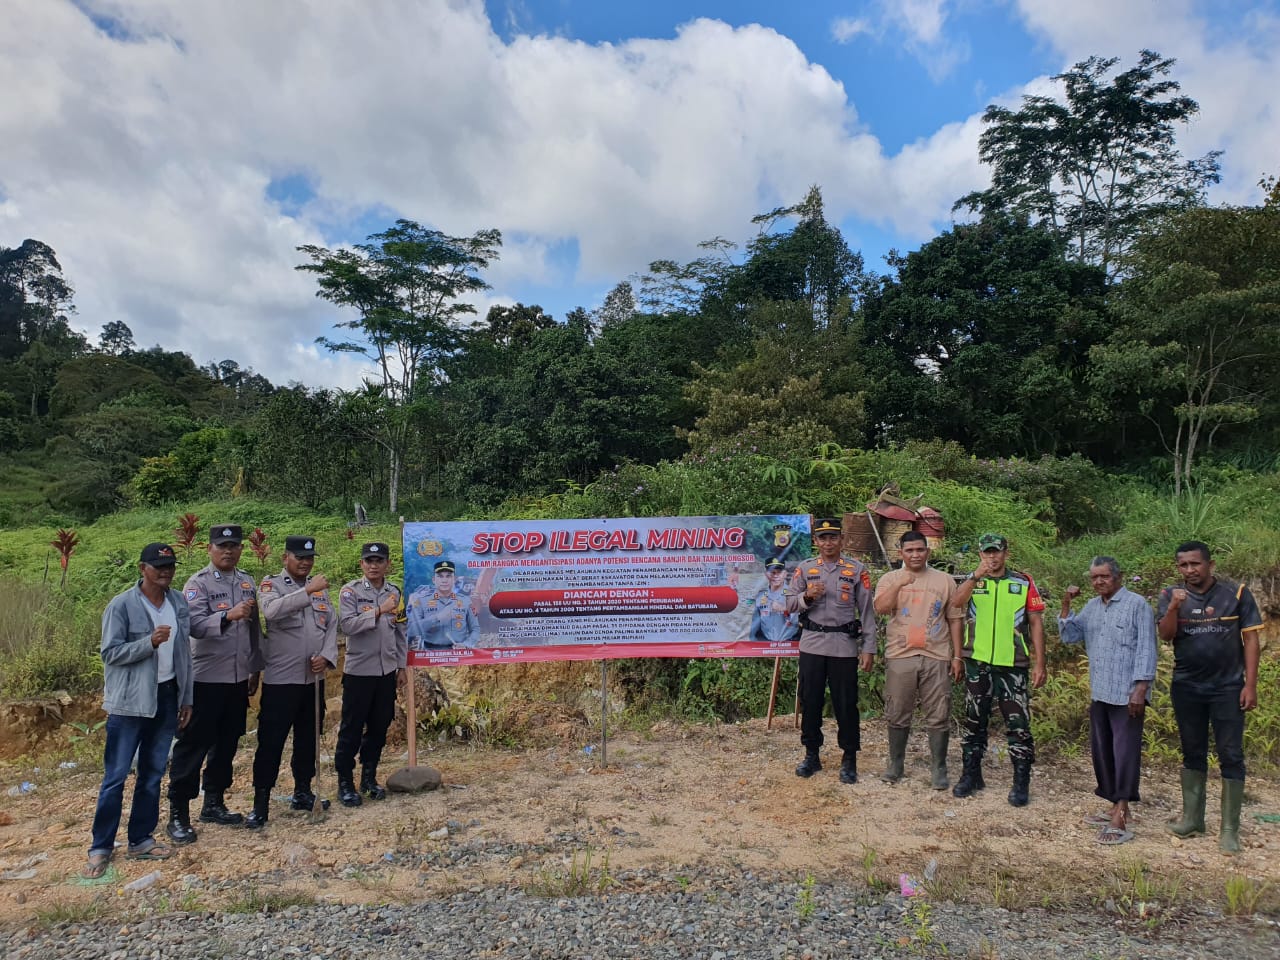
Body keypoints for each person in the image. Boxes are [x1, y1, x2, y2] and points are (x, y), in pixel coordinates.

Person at [83, 543, 194, 879]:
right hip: (129, 703)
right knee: (115, 777)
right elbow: (110, 653)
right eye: (158, 566)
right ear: (142, 568)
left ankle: (140, 840)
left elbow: (185, 655)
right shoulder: (122, 605)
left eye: (170, 566)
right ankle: (101, 846)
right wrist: (148, 643)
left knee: (152, 775)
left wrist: (186, 698)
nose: (166, 571)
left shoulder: (177, 602)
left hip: (166, 696)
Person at [1157, 541, 1263, 854]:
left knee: (1230, 753)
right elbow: (1165, 635)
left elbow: (1252, 640)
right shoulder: (1169, 595)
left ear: (1210, 565)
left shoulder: (1237, 594)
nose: (1189, 570)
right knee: (1192, 751)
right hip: (1187, 686)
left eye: (1195, 564)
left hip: (1228, 687)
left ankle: (1229, 830)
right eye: (1183, 565)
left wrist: (1250, 685)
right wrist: (1175, 606)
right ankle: (1193, 819)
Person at [165, 525, 263, 843]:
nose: (228, 551)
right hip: (205, 680)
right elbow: (192, 625)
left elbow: (253, 630)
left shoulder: (247, 582)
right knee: (194, 746)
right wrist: (227, 616)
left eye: (234, 546)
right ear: (210, 549)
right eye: (222, 546)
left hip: (236, 679)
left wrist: (254, 668)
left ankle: (214, 802)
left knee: (227, 745)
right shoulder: (198, 583)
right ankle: (178, 813)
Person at [1059, 557, 1157, 845]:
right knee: (1103, 752)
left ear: (1118, 576)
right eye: (1094, 577)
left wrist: (1141, 688)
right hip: (1100, 691)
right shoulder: (1092, 607)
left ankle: (1122, 811)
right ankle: (1112, 803)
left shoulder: (1137, 605)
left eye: (1104, 576)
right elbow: (1069, 636)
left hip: (1127, 694)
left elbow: (1147, 648)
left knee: (1125, 752)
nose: (1098, 582)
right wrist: (1066, 603)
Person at [246, 536, 339, 829]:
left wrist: (326, 656)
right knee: (271, 742)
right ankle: (260, 803)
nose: (305, 562)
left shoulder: (321, 592)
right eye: (299, 557)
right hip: (281, 680)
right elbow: (270, 611)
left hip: (313, 680)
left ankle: (302, 791)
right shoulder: (271, 585)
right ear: (286, 557)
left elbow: (331, 625)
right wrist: (307, 591)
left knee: (308, 738)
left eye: (309, 557)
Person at [950, 532, 1047, 806]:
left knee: (1018, 724)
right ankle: (971, 775)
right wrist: (974, 576)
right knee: (974, 721)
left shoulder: (1023, 581)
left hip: (1012, 665)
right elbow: (956, 604)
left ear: (1006, 553)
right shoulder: (973, 581)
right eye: (987, 552)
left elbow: (1036, 622)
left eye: (996, 551)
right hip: (977, 662)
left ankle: (1020, 783)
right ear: (980, 554)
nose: (992, 557)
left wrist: (1041, 662)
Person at [784, 518, 877, 784]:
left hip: (843, 646)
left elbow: (867, 612)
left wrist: (868, 648)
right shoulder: (805, 569)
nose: (828, 543)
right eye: (823, 538)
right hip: (812, 643)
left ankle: (849, 758)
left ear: (842, 540)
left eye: (833, 537)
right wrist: (808, 597)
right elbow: (789, 603)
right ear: (816, 541)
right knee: (810, 700)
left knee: (846, 704)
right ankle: (811, 754)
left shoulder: (856, 570)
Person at [872, 531, 965, 789]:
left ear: (928, 552)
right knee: (897, 712)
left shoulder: (944, 580)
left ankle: (939, 767)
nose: (915, 555)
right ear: (900, 553)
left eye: (920, 550)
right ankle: (896, 764)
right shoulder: (890, 578)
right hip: (900, 655)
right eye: (909, 551)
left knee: (939, 713)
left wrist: (957, 656)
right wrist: (900, 583)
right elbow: (880, 608)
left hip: (936, 655)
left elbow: (955, 619)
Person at [335, 542, 407, 807]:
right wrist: (379, 610)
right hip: (359, 672)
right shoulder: (350, 592)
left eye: (379, 561)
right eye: (369, 561)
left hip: (386, 671)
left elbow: (401, 631)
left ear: (387, 564)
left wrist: (401, 666)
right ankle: (345, 782)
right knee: (351, 728)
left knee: (379, 725)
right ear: (361, 564)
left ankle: (369, 777)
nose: (374, 565)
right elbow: (349, 626)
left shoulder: (394, 592)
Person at [406, 560, 480, 649]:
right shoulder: (422, 600)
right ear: (434, 580)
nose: (444, 580)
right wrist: (437, 618)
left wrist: (466, 644)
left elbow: (475, 629)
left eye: (448, 576)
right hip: (428, 653)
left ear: (454, 579)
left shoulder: (466, 601)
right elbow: (410, 630)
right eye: (440, 576)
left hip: (458, 652)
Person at [749, 558, 800, 643]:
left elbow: (799, 621)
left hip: (790, 643)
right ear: (766, 574)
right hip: (766, 642)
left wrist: (786, 609)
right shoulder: (760, 596)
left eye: (779, 572)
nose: (775, 575)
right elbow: (755, 624)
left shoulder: (794, 594)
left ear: (785, 574)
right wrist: (753, 641)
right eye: (772, 572)